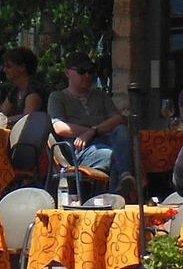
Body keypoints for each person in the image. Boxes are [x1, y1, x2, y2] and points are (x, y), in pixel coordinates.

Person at [48, 53, 135, 192]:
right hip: (80, 149)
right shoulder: (58, 97)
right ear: (67, 73)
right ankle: (118, 194)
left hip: (106, 139)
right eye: (82, 71)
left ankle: (124, 178)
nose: (87, 75)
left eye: (90, 71)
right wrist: (89, 133)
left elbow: (118, 119)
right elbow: (59, 127)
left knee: (122, 132)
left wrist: (92, 131)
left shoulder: (100, 95)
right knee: (113, 155)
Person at [0, 46, 47, 118]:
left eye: (8, 66)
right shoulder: (15, 89)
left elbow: (27, 118)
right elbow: (1, 114)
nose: (4, 70)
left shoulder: (35, 89)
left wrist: (5, 121)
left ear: (22, 68)